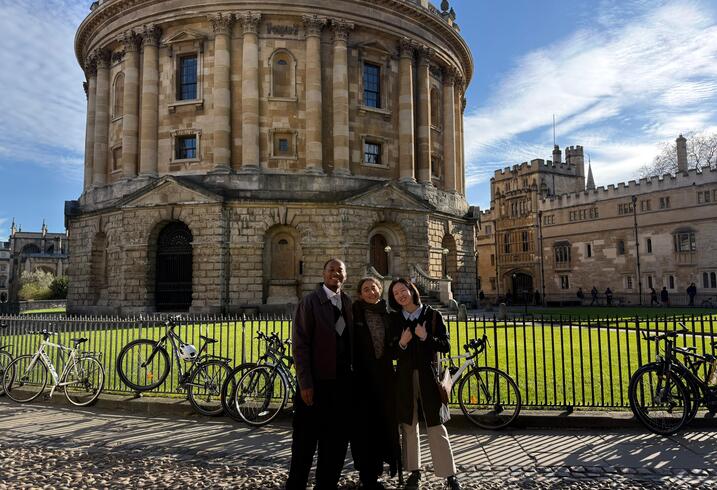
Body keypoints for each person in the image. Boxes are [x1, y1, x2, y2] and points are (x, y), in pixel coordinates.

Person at [387, 278, 462, 490]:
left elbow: (445, 345)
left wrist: (425, 336)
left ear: (412, 290)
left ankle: (449, 474)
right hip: (404, 378)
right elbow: (390, 351)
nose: (401, 295)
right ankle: (414, 471)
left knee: (436, 425)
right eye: (396, 294)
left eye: (403, 290)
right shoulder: (394, 320)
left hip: (429, 377)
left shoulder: (432, 315)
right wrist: (402, 342)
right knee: (409, 425)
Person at [286, 259, 353, 490]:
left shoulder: (347, 302)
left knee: (335, 442)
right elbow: (300, 345)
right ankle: (296, 485)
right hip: (315, 384)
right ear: (323, 274)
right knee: (305, 442)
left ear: (345, 275)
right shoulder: (310, 302)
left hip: (341, 384)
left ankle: (326, 485)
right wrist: (305, 383)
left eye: (340, 270)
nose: (336, 273)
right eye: (331, 270)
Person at [351, 277, 399, 489]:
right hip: (361, 379)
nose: (371, 292)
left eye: (374, 288)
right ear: (360, 294)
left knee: (383, 424)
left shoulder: (387, 315)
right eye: (366, 289)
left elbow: (395, 346)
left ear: (380, 290)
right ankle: (367, 474)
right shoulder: (353, 313)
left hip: (384, 378)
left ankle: (379, 470)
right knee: (364, 427)